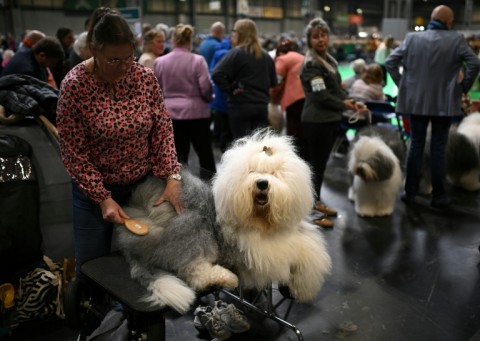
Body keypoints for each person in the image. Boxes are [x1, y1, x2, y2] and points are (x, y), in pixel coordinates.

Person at [56, 6, 183, 294]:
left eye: (129, 58)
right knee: (92, 266)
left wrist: (173, 176)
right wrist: (102, 198)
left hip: (140, 185)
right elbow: (74, 153)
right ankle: (93, 323)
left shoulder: (143, 78)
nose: (124, 66)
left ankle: (128, 324)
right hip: (93, 193)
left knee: (141, 262)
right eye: (114, 59)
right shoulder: (74, 86)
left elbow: (162, 130)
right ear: (93, 50)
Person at [385, 5, 480, 208]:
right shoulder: (456, 40)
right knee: (438, 149)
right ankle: (438, 195)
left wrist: (403, 84)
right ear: (448, 21)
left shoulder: (411, 38)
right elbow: (474, 63)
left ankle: (410, 193)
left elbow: (390, 61)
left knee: (415, 146)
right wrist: (463, 87)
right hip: (444, 105)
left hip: (416, 103)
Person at [300, 18, 364, 228]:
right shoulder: (311, 64)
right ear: (309, 40)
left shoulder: (328, 60)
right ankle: (311, 212)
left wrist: (349, 101)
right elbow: (320, 96)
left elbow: (334, 92)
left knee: (319, 167)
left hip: (329, 120)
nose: (320, 39)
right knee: (315, 168)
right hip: (317, 121)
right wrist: (344, 104)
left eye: (323, 35)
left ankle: (315, 202)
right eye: (315, 36)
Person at [153, 24, 216, 180]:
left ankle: (181, 189)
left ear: (173, 39)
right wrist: (209, 98)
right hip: (197, 114)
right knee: (205, 155)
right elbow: (205, 87)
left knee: (178, 157)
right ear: (190, 40)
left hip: (170, 115)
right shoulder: (198, 60)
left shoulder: (160, 62)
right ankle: (210, 190)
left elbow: (155, 91)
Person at [211, 19, 277, 139]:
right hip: (261, 107)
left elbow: (216, 74)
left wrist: (231, 88)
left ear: (240, 33)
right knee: (260, 147)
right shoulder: (266, 56)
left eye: (234, 31)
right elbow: (273, 82)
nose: (233, 35)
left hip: (240, 106)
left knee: (242, 147)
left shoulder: (236, 53)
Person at [270, 38, 307, 159]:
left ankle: (293, 160)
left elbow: (276, 83)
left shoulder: (282, 59)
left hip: (295, 100)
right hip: (308, 98)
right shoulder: (301, 57)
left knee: (293, 133)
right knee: (302, 132)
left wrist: (272, 98)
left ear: (279, 53)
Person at [209, 37, 233, 152]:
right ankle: (225, 147)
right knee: (227, 127)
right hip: (225, 95)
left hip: (218, 94)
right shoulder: (227, 54)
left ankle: (219, 143)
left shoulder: (217, 53)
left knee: (220, 123)